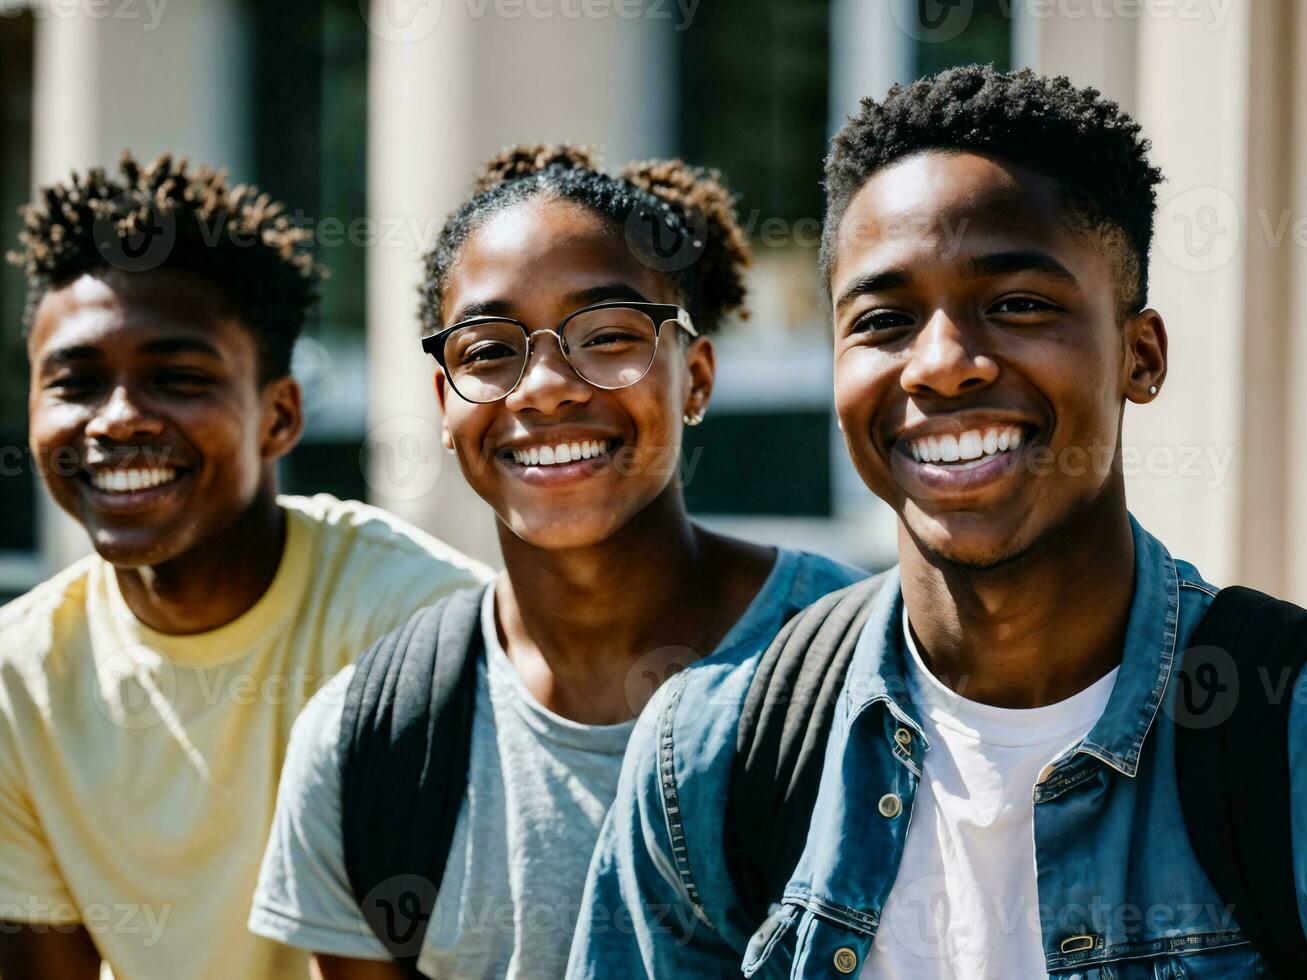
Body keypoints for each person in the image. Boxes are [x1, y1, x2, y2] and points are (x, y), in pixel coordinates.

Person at [569, 66, 1307, 979]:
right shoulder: (712, 757)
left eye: (1017, 305)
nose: (943, 365)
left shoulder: (1284, 729)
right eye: (884, 320)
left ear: (1140, 356)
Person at [246, 144, 864, 979]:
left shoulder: (862, 668)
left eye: (607, 336)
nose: (543, 386)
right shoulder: (367, 746)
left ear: (696, 377)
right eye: (489, 351)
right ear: (443, 401)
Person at [0, 155, 489, 980]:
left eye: (178, 378)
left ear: (279, 416)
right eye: (75, 382)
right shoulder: (20, 674)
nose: (116, 421)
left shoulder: (420, 625)